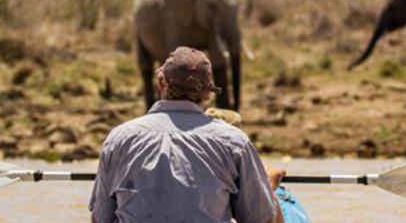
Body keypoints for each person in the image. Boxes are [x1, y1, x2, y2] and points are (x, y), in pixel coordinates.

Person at [89, 46, 286, 223]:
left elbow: (100, 219)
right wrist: (267, 188)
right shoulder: (234, 142)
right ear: (208, 93)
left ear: (161, 83)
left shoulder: (119, 139)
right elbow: (261, 221)